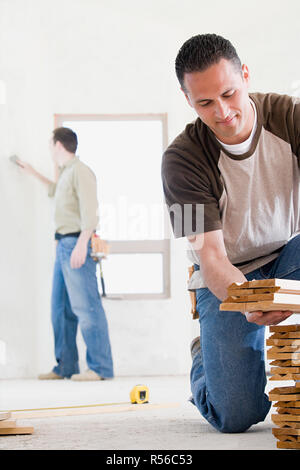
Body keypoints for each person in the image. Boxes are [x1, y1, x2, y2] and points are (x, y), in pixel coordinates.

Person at [162, 33, 300, 433]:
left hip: (289, 253)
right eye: (205, 102)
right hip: (226, 276)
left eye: (229, 93)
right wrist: (250, 304)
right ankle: (205, 353)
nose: (222, 112)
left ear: (244, 75)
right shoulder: (180, 161)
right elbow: (212, 257)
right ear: (188, 100)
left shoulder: (290, 118)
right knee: (236, 415)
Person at [17, 127, 114, 381]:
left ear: (59, 145)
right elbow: (54, 192)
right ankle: (66, 365)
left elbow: (90, 211)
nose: (49, 148)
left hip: (76, 243)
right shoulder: (65, 174)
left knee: (87, 307)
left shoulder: (81, 172)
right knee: (59, 309)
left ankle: (100, 368)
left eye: (50, 143)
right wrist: (32, 172)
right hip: (63, 245)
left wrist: (83, 243)